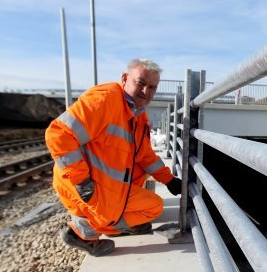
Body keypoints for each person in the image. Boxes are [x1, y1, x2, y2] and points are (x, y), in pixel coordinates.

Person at [45, 58, 181, 256]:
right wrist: (82, 181)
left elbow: (144, 155)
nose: (146, 91)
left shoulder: (138, 114)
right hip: (84, 186)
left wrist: (168, 180)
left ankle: (115, 223)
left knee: (151, 208)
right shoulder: (105, 100)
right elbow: (58, 134)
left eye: (152, 87)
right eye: (141, 83)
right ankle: (83, 234)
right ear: (125, 78)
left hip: (101, 186)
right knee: (151, 208)